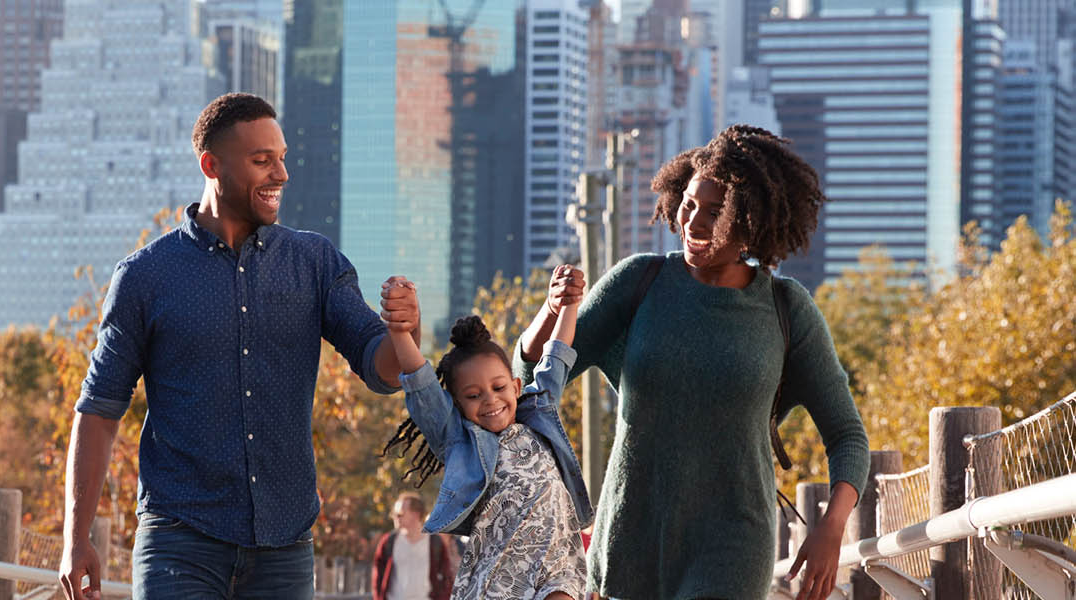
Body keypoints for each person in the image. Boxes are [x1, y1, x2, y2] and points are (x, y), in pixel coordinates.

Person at [55, 92, 424, 599]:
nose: (281, 174)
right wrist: (76, 538)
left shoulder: (314, 262)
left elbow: (381, 370)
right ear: (212, 165)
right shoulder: (145, 277)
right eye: (261, 160)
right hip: (178, 543)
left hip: (285, 547)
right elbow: (98, 413)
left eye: (282, 158)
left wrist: (403, 332)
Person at [513, 125, 870, 599]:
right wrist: (552, 310)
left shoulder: (786, 309)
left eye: (715, 212)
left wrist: (832, 527)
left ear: (751, 221)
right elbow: (530, 384)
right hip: (631, 538)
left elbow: (847, 434)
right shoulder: (638, 282)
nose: (693, 223)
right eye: (689, 204)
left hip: (734, 541)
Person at [380, 266, 592, 600]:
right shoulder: (459, 442)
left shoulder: (539, 413)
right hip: (500, 576)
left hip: (556, 565)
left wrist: (569, 305)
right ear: (458, 404)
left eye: (498, 387)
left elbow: (557, 357)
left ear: (516, 385)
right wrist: (400, 332)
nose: (490, 400)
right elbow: (422, 384)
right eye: (474, 395)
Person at [370, 492, 458, 600]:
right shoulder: (388, 541)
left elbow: (447, 578)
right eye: (394, 513)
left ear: (416, 514)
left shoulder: (435, 542)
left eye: (400, 513)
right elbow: (377, 578)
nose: (395, 517)